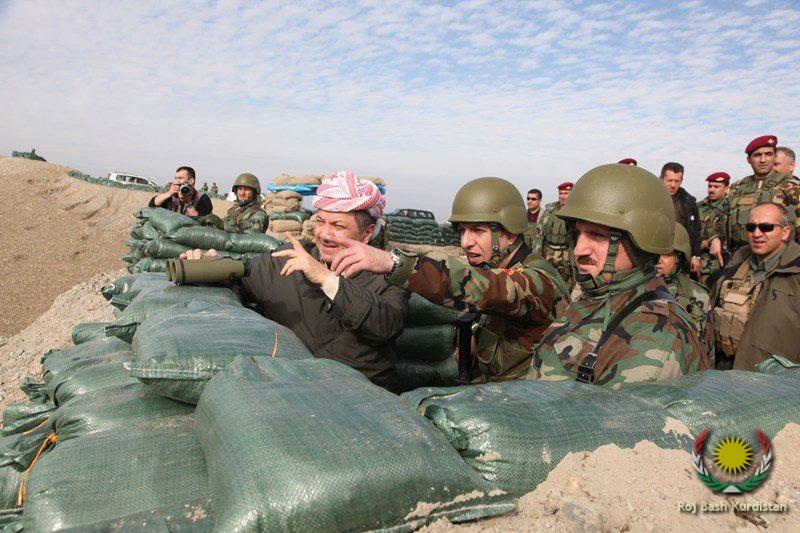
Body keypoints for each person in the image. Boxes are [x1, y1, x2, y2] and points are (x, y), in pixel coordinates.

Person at [178, 171, 408, 391]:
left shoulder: (388, 276)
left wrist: (326, 279)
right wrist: (204, 266)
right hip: (293, 394)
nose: (324, 234)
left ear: (367, 233)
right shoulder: (288, 259)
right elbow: (243, 276)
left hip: (361, 399)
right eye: (321, 222)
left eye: (338, 226)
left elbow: (386, 324)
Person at [326, 176, 570, 382]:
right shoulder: (497, 268)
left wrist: (395, 263)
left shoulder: (537, 280)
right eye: (462, 231)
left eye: (478, 231)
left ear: (508, 232)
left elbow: (485, 287)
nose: (465, 242)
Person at [526, 164, 710, 387]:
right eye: (578, 233)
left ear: (641, 240)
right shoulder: (603, 295)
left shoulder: (655, 337)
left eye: (597, 235)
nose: (578, 250)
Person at [713, 202, 800, 371]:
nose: (757, 234)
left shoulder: (795, 273)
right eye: (751, 227)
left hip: (775, 385)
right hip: (726, 375)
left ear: (785, 232)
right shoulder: (737, 262)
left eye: (766, 227)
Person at [709, 135, 800, 263]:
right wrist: (714, 238)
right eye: (757, 155)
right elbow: (716, 217)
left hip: (780, 262)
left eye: (768, 154)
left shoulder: (792, 187)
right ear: (749, 160)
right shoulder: (737, 188)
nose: (763, 160)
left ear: (774, 157)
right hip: (739, 259)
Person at [657, 223, 713, 355]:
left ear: (679, 258)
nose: (658, 260)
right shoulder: (637, 291)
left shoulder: (699, 295)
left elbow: (708, 350)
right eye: (654, 254)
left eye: (666, 254)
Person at [660, 162, 701, 275]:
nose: (673, 185)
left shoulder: (689, 202)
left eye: (677, 181)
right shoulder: (651, 198)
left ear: (681, 181)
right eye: (669, 180)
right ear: (661, 179)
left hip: (681, 258)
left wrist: (695, 256)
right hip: (656, 254)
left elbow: (696, 232)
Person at [537, 182, 574, 285]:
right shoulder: (550, 210)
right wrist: (538, 253)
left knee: (565, 284)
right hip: (548, 253)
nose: (562, 196)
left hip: (566, 254)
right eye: (560, 193)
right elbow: (540, 232)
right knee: (546, 281)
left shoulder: (575, 211)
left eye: (566, 193)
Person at [697, 172, 730, 286]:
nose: (711, 189)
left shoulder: (731, 208)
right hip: (699, 263)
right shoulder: (699, 207)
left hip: (721, 264)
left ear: (726, 189)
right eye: (710, 186)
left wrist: (709, 241)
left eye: (716, 187)